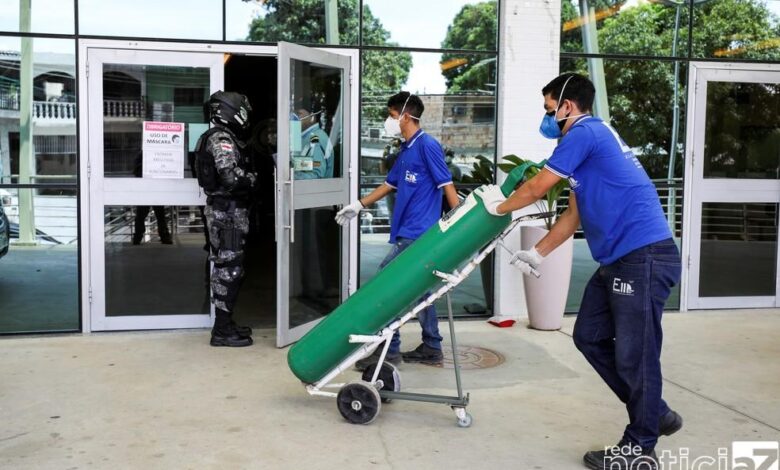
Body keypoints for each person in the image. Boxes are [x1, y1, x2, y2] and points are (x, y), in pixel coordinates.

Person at [476, 73, 682, 470]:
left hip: (643, 256)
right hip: (619, 259)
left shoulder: (585, 133)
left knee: (635, 355)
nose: (547, 117)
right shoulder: (587, 145)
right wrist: (537, 253)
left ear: (568, 106)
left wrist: (493, 209)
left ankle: (641, 444)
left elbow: (537, 188)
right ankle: (655, 413)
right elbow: (572, 215)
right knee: (588, 335)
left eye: (549, 109)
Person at [336, 91, 460, 369]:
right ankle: (432, 346)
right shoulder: (404, 149)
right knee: (421, 291)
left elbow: (446, 185)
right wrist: (358, 204)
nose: (388, 121)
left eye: (391, 116)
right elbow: (390, 184)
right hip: (407, 231)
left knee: (388, 288)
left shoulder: (427, 145)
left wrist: (456, 228)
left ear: (405, 115)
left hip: (419, 234)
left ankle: (388, 350)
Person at [195, 91, 258, 347]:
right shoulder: (221, 138)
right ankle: (221, 330)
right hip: (227, 214)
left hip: (227, 213)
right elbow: (231, 178)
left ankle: (226, 322)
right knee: (229, 270)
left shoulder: (216, 136)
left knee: (230, 267)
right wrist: (253, 178)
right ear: (230, 111)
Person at [293, 108, 334, 180]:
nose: (295, 118)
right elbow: (311, 164)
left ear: (312, 117)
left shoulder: (315, 137)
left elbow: (317, 175)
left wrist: (292, 176)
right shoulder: (303, 137)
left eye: (299, 114)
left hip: (317, 190)